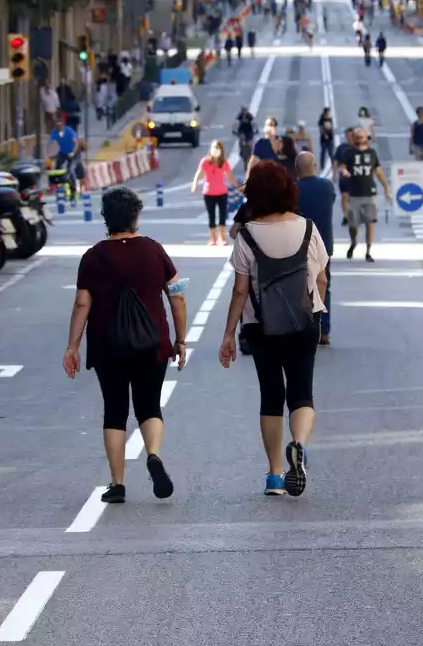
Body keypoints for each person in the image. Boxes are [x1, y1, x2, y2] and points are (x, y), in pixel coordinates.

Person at [64, 187, 188, 504]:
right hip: (152, 342)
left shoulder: (92, 257)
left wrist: (72, 347)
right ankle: (154, 455)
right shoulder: (154, 250)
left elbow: (81, 304)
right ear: (136, 216)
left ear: (106, 218)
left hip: (108, 345)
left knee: (115, 411)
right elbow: (177, 295)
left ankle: (117, 484)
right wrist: (180, 338)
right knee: (149, 406)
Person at [218, 162, 328, 497]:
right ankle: (298, 444)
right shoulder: (308, 228)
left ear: (254, 194)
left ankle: (275, 475)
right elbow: (321, 277)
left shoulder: (247, 235)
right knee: (301, 392)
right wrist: (315, 306)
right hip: (304, 322)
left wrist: (227, 335)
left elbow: (240, 290)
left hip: (260, 326)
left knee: (271, 396)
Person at [295, 152, 335, 346]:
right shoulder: (327, 186)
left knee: (297, 287)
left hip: (297, 245)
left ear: (296, 169)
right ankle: (323, 329)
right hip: (323, 245)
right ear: (315, 165)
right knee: (323, 286)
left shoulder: (293, 189)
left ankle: (300, 328)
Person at [339, 127, 391, 262]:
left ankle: (368, 250)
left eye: (362, 137)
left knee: (370, 222)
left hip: (370, 193)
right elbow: (343, 166)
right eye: (357, 137)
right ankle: (354, 241)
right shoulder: (349, 153)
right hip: (354, 193)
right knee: (353, 224)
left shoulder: (372, 153)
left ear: (366, 138)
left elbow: (378, 171)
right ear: (354, 139)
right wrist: (344, 171)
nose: (360, 140)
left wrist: (386, 187)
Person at [191, 140, 239, 245]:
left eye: (217, 148)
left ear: (221, 150)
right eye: (213, 147)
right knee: (211, 216)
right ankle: (212, 238)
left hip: (222, 192)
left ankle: (222, 237)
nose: (215, 150)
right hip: (209, 193)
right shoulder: (205, 161)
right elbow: (199, 173)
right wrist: (194, 185)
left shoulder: (224, 162)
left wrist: (238, 186)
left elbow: (230, 176)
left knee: (222, 216)